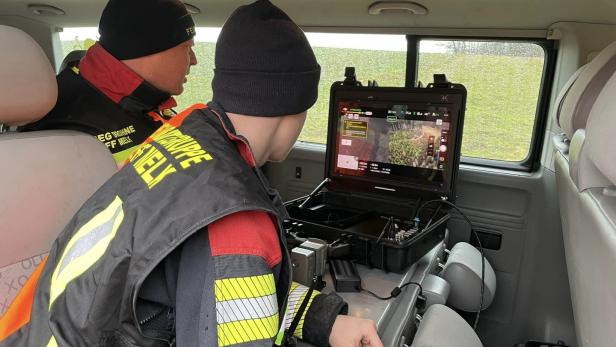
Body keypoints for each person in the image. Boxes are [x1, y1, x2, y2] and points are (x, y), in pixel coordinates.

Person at [0, 1, 384, 346]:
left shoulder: (184, 136)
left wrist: (324, 320)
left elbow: (221, 292)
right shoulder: (234, 215)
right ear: (296, 107)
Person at [20, 0, 198, 166]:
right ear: (147, 51)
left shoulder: (147, 103)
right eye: (187, 48)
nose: (194, 60)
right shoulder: (63, 129)